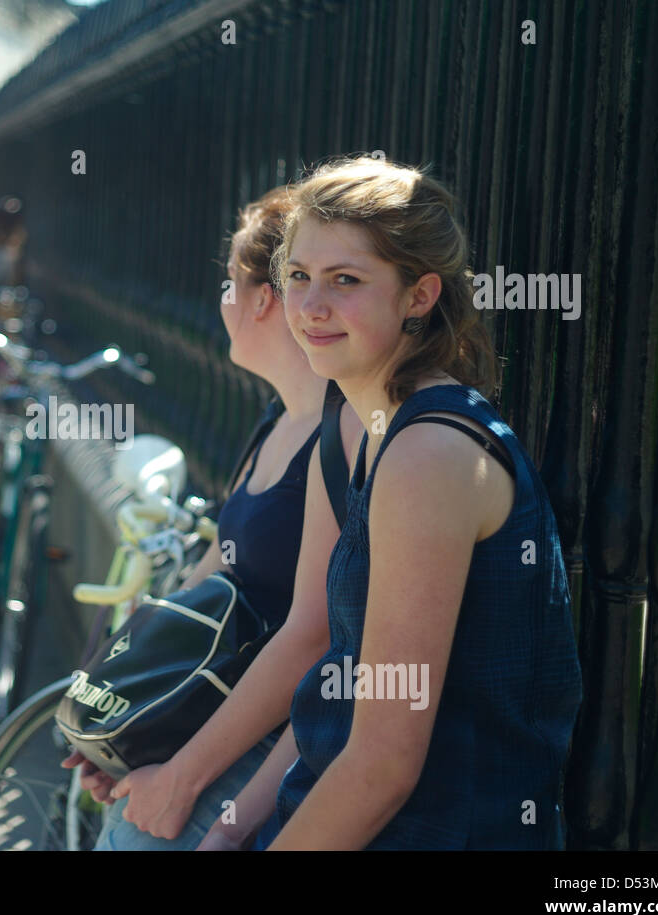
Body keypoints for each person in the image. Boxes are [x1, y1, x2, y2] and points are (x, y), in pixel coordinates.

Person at [202, 156, 583, 850]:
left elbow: (383, 766)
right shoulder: (376, 431)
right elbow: (335, 698)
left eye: (345, 280)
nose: (310, 305)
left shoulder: (429, 456)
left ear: (418, 294)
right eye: (297, 276)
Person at [64, 187, 361, 850]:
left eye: (230, 282)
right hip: (225, 716)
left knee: (128, 838)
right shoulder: (278, 419)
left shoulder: (340, 436)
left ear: (261, 298)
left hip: (275, 737)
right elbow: (205, 583)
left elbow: (317, 645)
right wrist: (130, 729)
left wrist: (186, 779)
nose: (222, 302)